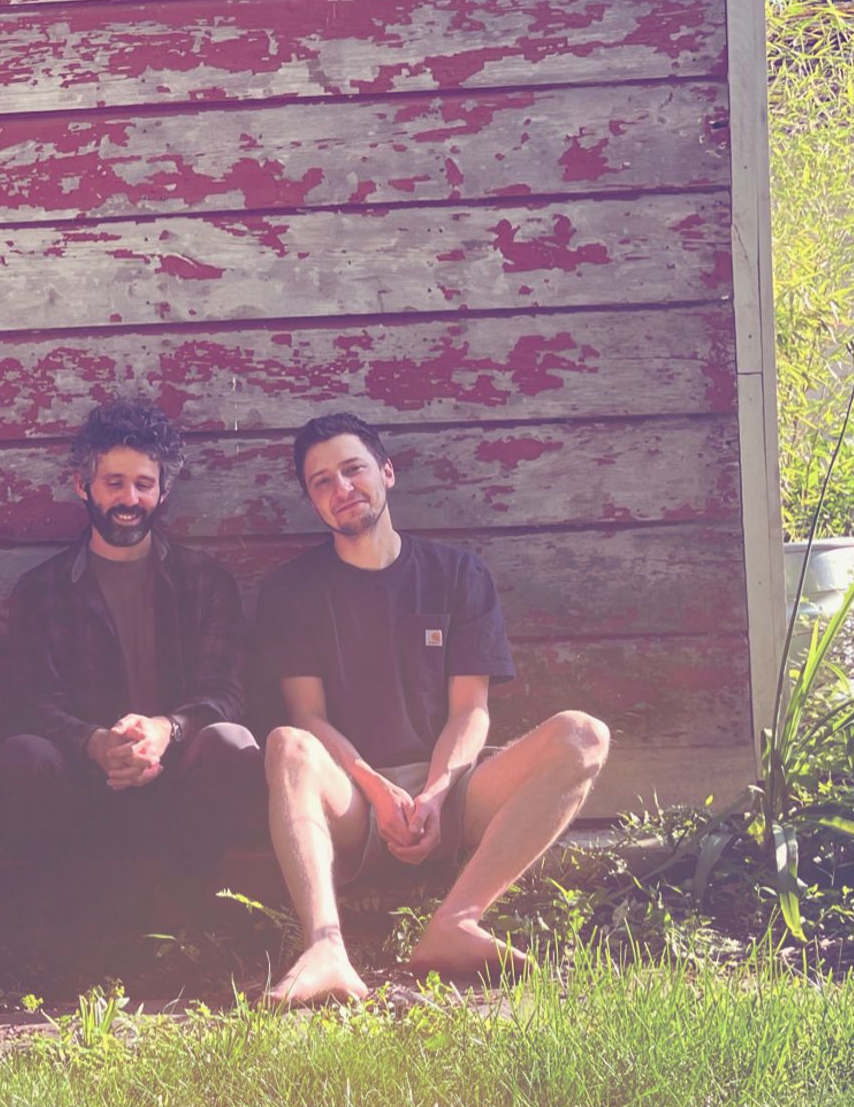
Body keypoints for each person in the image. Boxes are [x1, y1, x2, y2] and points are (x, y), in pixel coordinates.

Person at [254, 413, 610, 1005]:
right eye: (321, 482)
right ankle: (324, 946)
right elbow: (308, 717)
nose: (341, 489)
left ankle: (457, 922)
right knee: (285, 745)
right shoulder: (291, 591)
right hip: (351, 797)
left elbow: (471, 711)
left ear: (387, 473)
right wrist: (373, 787)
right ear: (312, 501)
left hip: (455, 792)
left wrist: (437, 793)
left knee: (584, 735)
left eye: (353, 470)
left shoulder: (456, 574)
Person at [0, 398, 261, 901]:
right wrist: (96, 743)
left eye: (143, 484)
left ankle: (183, 908)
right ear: (83, 485)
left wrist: (166, 731)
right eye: (114, 483)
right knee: (22, 755)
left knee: (232, 740)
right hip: (85, 786)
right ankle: (67, 921)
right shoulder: (42, 589)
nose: (129, 498)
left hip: (179, 782)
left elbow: (225, 694)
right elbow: (32, 704)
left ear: (163, 491)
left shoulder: (205, 581)